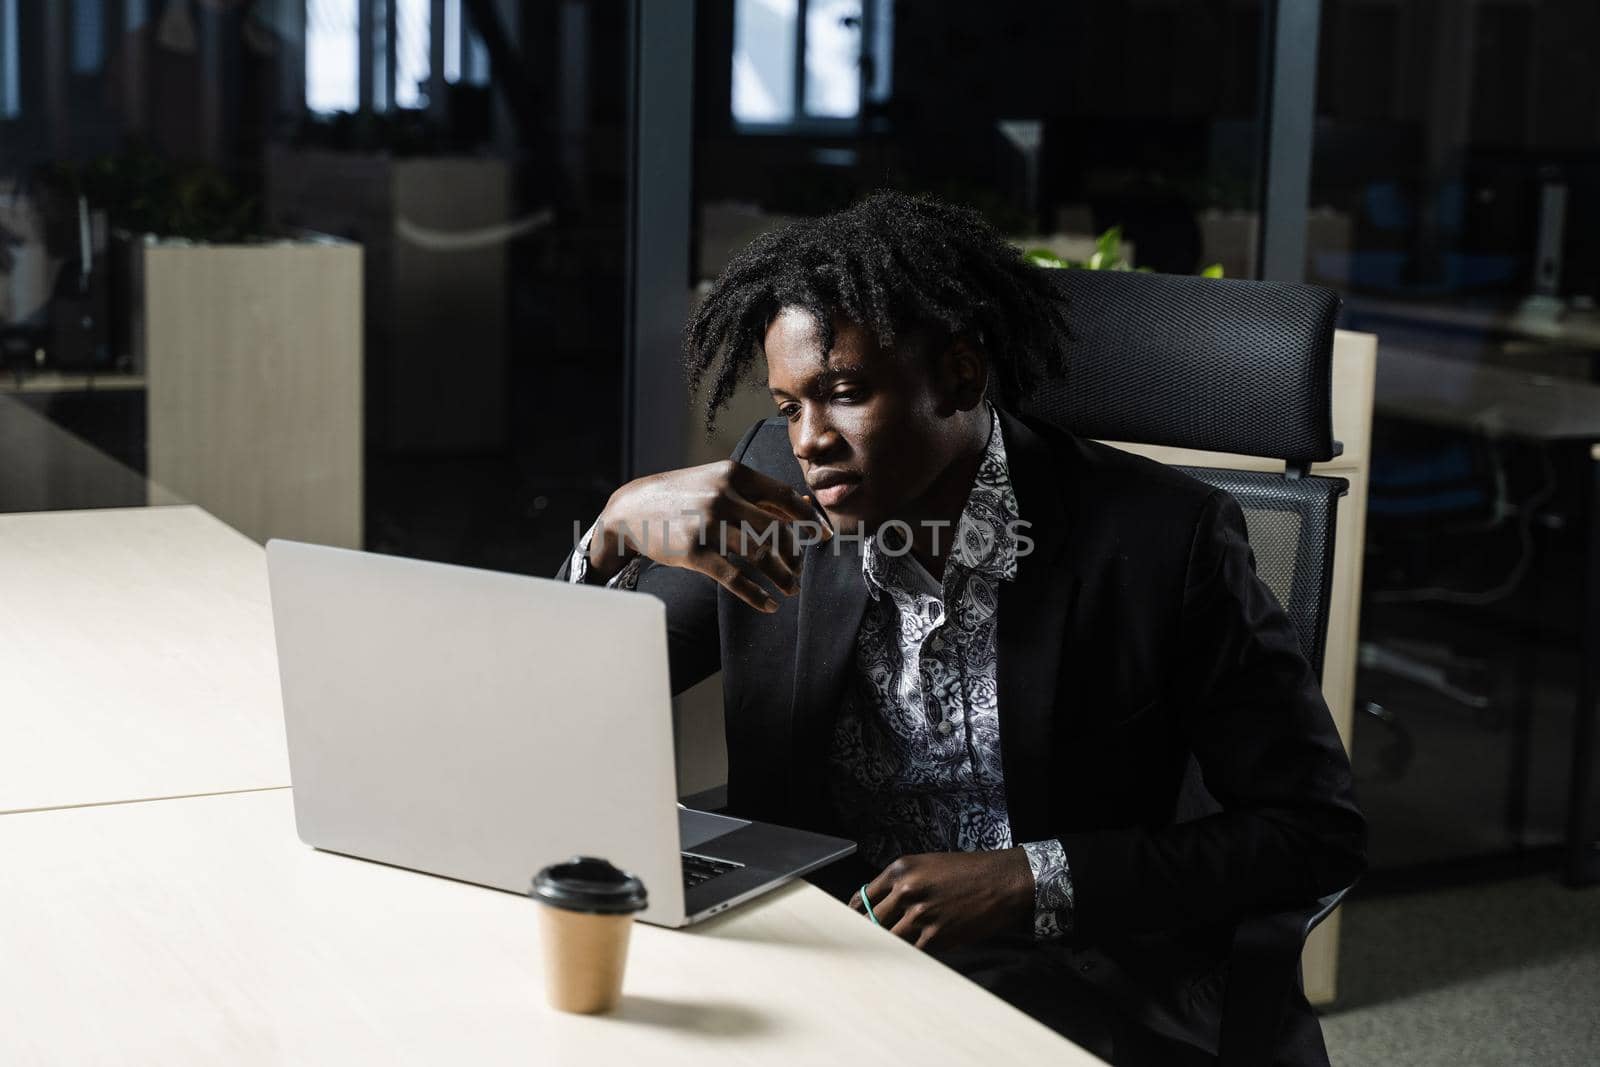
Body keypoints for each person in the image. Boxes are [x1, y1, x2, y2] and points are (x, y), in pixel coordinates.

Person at [560, 191, 1365, 1065]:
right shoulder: (772, 497)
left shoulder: (1162, 540)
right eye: (791, 405)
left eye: (844, 393)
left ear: (961, 375)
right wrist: (611, 535)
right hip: (822, 958)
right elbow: (563, 694)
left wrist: (1032, 878)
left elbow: (1314, 831)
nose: (809, 440)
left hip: (1075, 979)